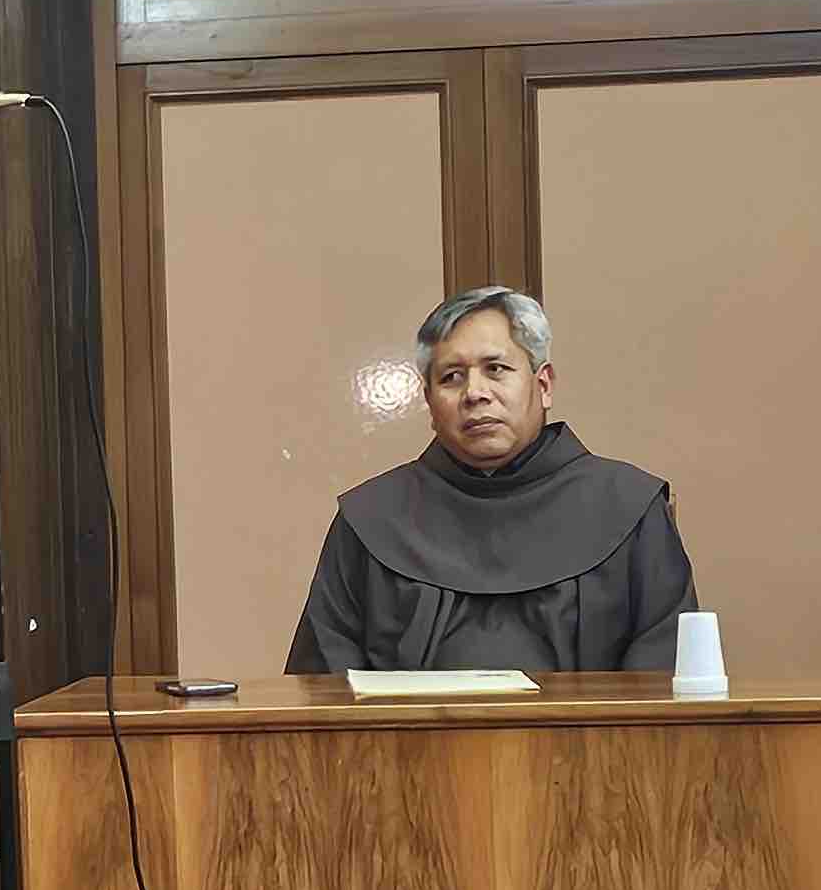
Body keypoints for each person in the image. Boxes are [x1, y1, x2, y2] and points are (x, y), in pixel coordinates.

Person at [287, 284, 700, 675]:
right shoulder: (371, 519)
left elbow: (663, 680)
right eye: (452, 377)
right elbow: (323, 690)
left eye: (496, 369)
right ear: (429, 401)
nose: (475, 393)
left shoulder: (629, 507)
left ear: (543, 385)